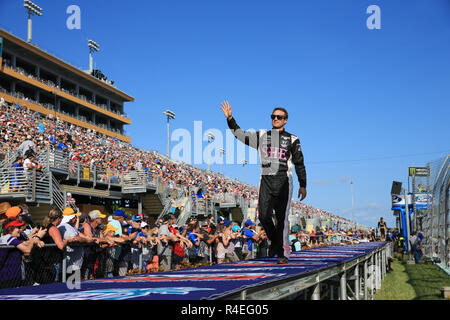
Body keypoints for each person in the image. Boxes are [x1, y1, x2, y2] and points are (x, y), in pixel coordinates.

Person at [221, 101, 307, 264]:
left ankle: (282, 253)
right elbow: (241, 135)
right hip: (266, 179)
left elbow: (300, 162)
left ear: (285, 120)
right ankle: (275, 243)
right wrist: (230, 119)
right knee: (263, 216)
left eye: (279, 117)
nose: (275, 119)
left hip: (284, 181)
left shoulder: (293, 139)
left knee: (282, 219)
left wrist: (303, 184)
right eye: (273, 116)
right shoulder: (261, 135)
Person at [0, 218, 45, 289]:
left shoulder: (5, 238)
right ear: (10, 229)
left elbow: (25, 243)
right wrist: (35, 239)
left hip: (6, 275)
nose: (20, 229)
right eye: (17, 227)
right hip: (10, 277)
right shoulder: (10, 238)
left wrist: (36, 239)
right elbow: (27, 251)